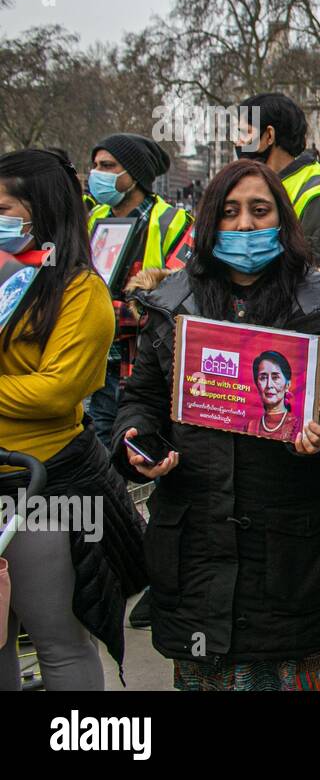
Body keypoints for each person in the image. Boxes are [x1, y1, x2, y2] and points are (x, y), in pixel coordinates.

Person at [114, 159, 320, 691]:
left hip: (292, 552)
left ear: (283, 220)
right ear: (209, 223)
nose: (245, 225)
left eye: (259, 210)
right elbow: (141, 400)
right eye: (229, 212)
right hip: (196, 547)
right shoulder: (170, 304)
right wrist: (138, 442)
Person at [0, 148, 146, 691]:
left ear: (40, 211)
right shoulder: (3, 276)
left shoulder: (80, 292)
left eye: (4, 207)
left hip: (43, 487)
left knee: (57, 641)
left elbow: (56, 391)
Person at [85, 133, 192, 451]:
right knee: (104, 461)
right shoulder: (94, 219)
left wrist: (118, 313)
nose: (96, 173)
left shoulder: (173, 222)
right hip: (103, 366)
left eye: (107, 165)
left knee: (150, 454)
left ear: (133, 173)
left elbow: (181, 298)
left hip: (149, 370)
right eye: (95, 165)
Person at [237, 92, 320, 268]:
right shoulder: (260, 182)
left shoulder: (318, 194)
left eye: (245, 133)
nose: (238, 141)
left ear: (269, 136)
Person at [244, 350, 303, 441]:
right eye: (263, 378)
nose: (269, 385)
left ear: (287, 385)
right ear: (257, 384)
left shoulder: (299, 426)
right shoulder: (250, 427)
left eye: (275, 377)